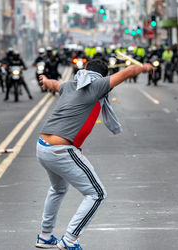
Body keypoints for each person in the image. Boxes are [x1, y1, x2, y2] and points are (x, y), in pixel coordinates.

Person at [36, 59, 154, 249]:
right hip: (61, 150)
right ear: (103, 76)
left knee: (58, 189)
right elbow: (130, 70)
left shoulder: (69, 85)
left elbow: (53, 84)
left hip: (42, 147)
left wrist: (45, 80)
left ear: (84, 70)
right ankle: (70, 240)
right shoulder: (97, 85)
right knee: (97, 194)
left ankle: (45, 236)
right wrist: (146, 67)